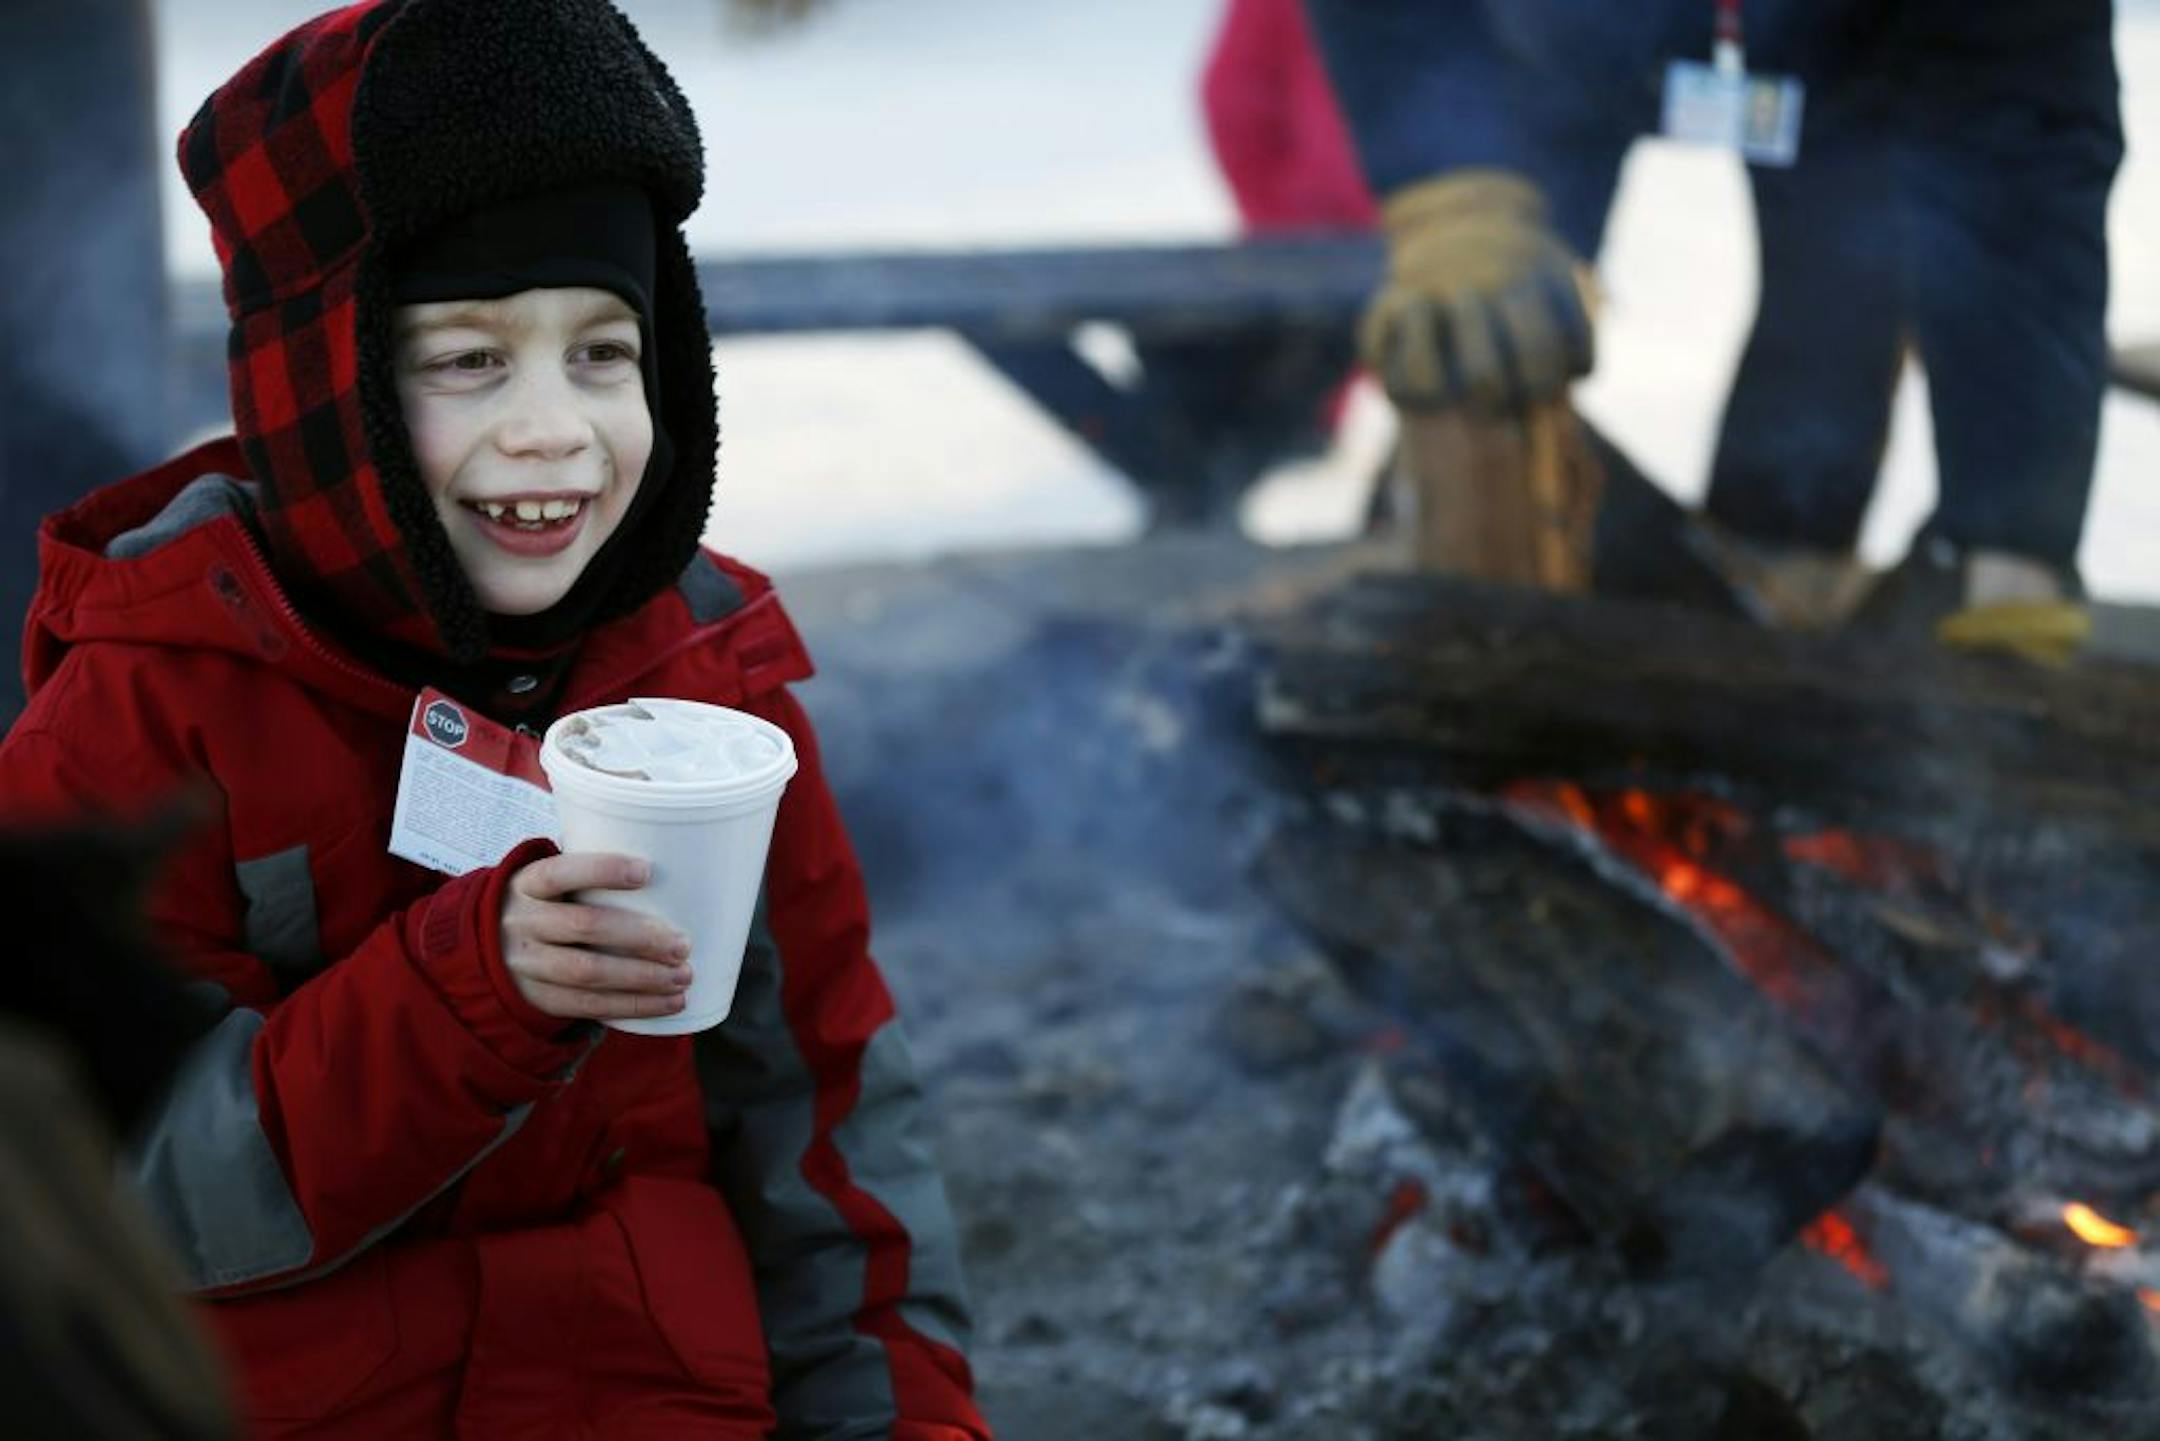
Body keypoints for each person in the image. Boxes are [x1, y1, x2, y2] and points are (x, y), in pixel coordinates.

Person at [0, 2, 987, 1436]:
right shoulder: (150, 706)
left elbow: (829, 1137)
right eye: (469, 361)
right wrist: (469, 994)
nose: (555, 430)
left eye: (603, 352)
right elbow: (104, 1197)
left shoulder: (709, 682)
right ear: (321, 391)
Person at [1300, 0, 2123, 634]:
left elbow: (2027, 144)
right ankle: (1449, 542)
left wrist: (2012, 521)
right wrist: (1454, 190)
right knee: (1487, 325)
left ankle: (1775, 585)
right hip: (1548, 46)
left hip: (1864, 55)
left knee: (1838, 297)